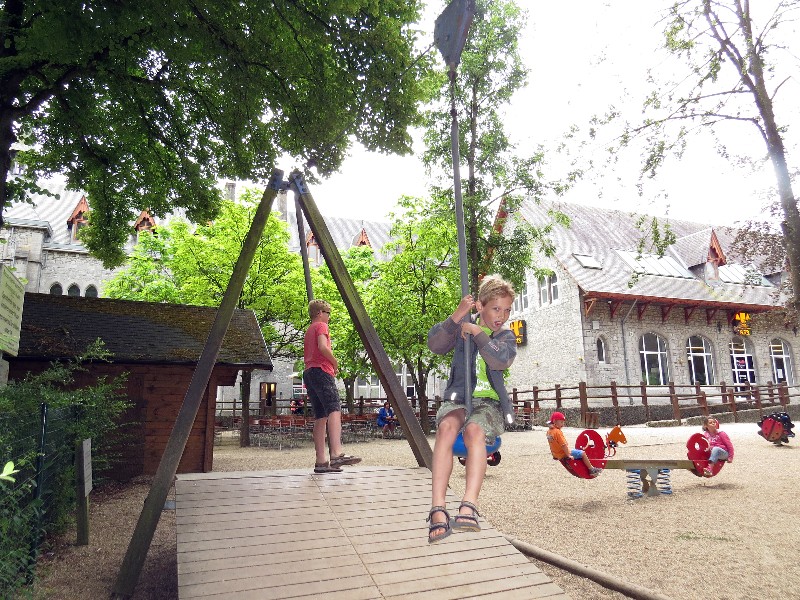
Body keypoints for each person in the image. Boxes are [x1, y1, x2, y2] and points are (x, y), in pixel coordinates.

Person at [426, 275, 517, 543]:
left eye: (507, 309)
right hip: (459, 398)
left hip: (487, 403)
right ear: (481, 306)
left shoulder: (506, 337)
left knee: (475, 430)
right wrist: (458, 316)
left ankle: (468, 505)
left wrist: (478, 333)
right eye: (495, 308)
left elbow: (500, 360)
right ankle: (437, 508)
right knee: (446, 427)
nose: (501, 315)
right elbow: (436, 344)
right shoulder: (462, 327)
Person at [303, 300, 361, 473]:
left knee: (320, 416)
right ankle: (336, 454)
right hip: (322, 371)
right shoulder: (321, 326)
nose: (329, 317)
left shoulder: (308, 331)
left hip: (309, 372)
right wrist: (334, 362)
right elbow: (322, 346)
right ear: (320, 313)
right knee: (334, 409)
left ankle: (321, 462)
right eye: (328, 313)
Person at [546, 411, 602, 477]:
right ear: (555, 421)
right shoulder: (557, 432)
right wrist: (568, 455)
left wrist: (554, 455)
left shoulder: (549, 432)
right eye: (561, 422)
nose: (563, 424)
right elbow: (563, 445)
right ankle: (591, 469)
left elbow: (551, 445)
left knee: (576, 451)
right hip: (563, 454)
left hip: (558, 454)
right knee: (582, 453)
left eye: (563, 422)